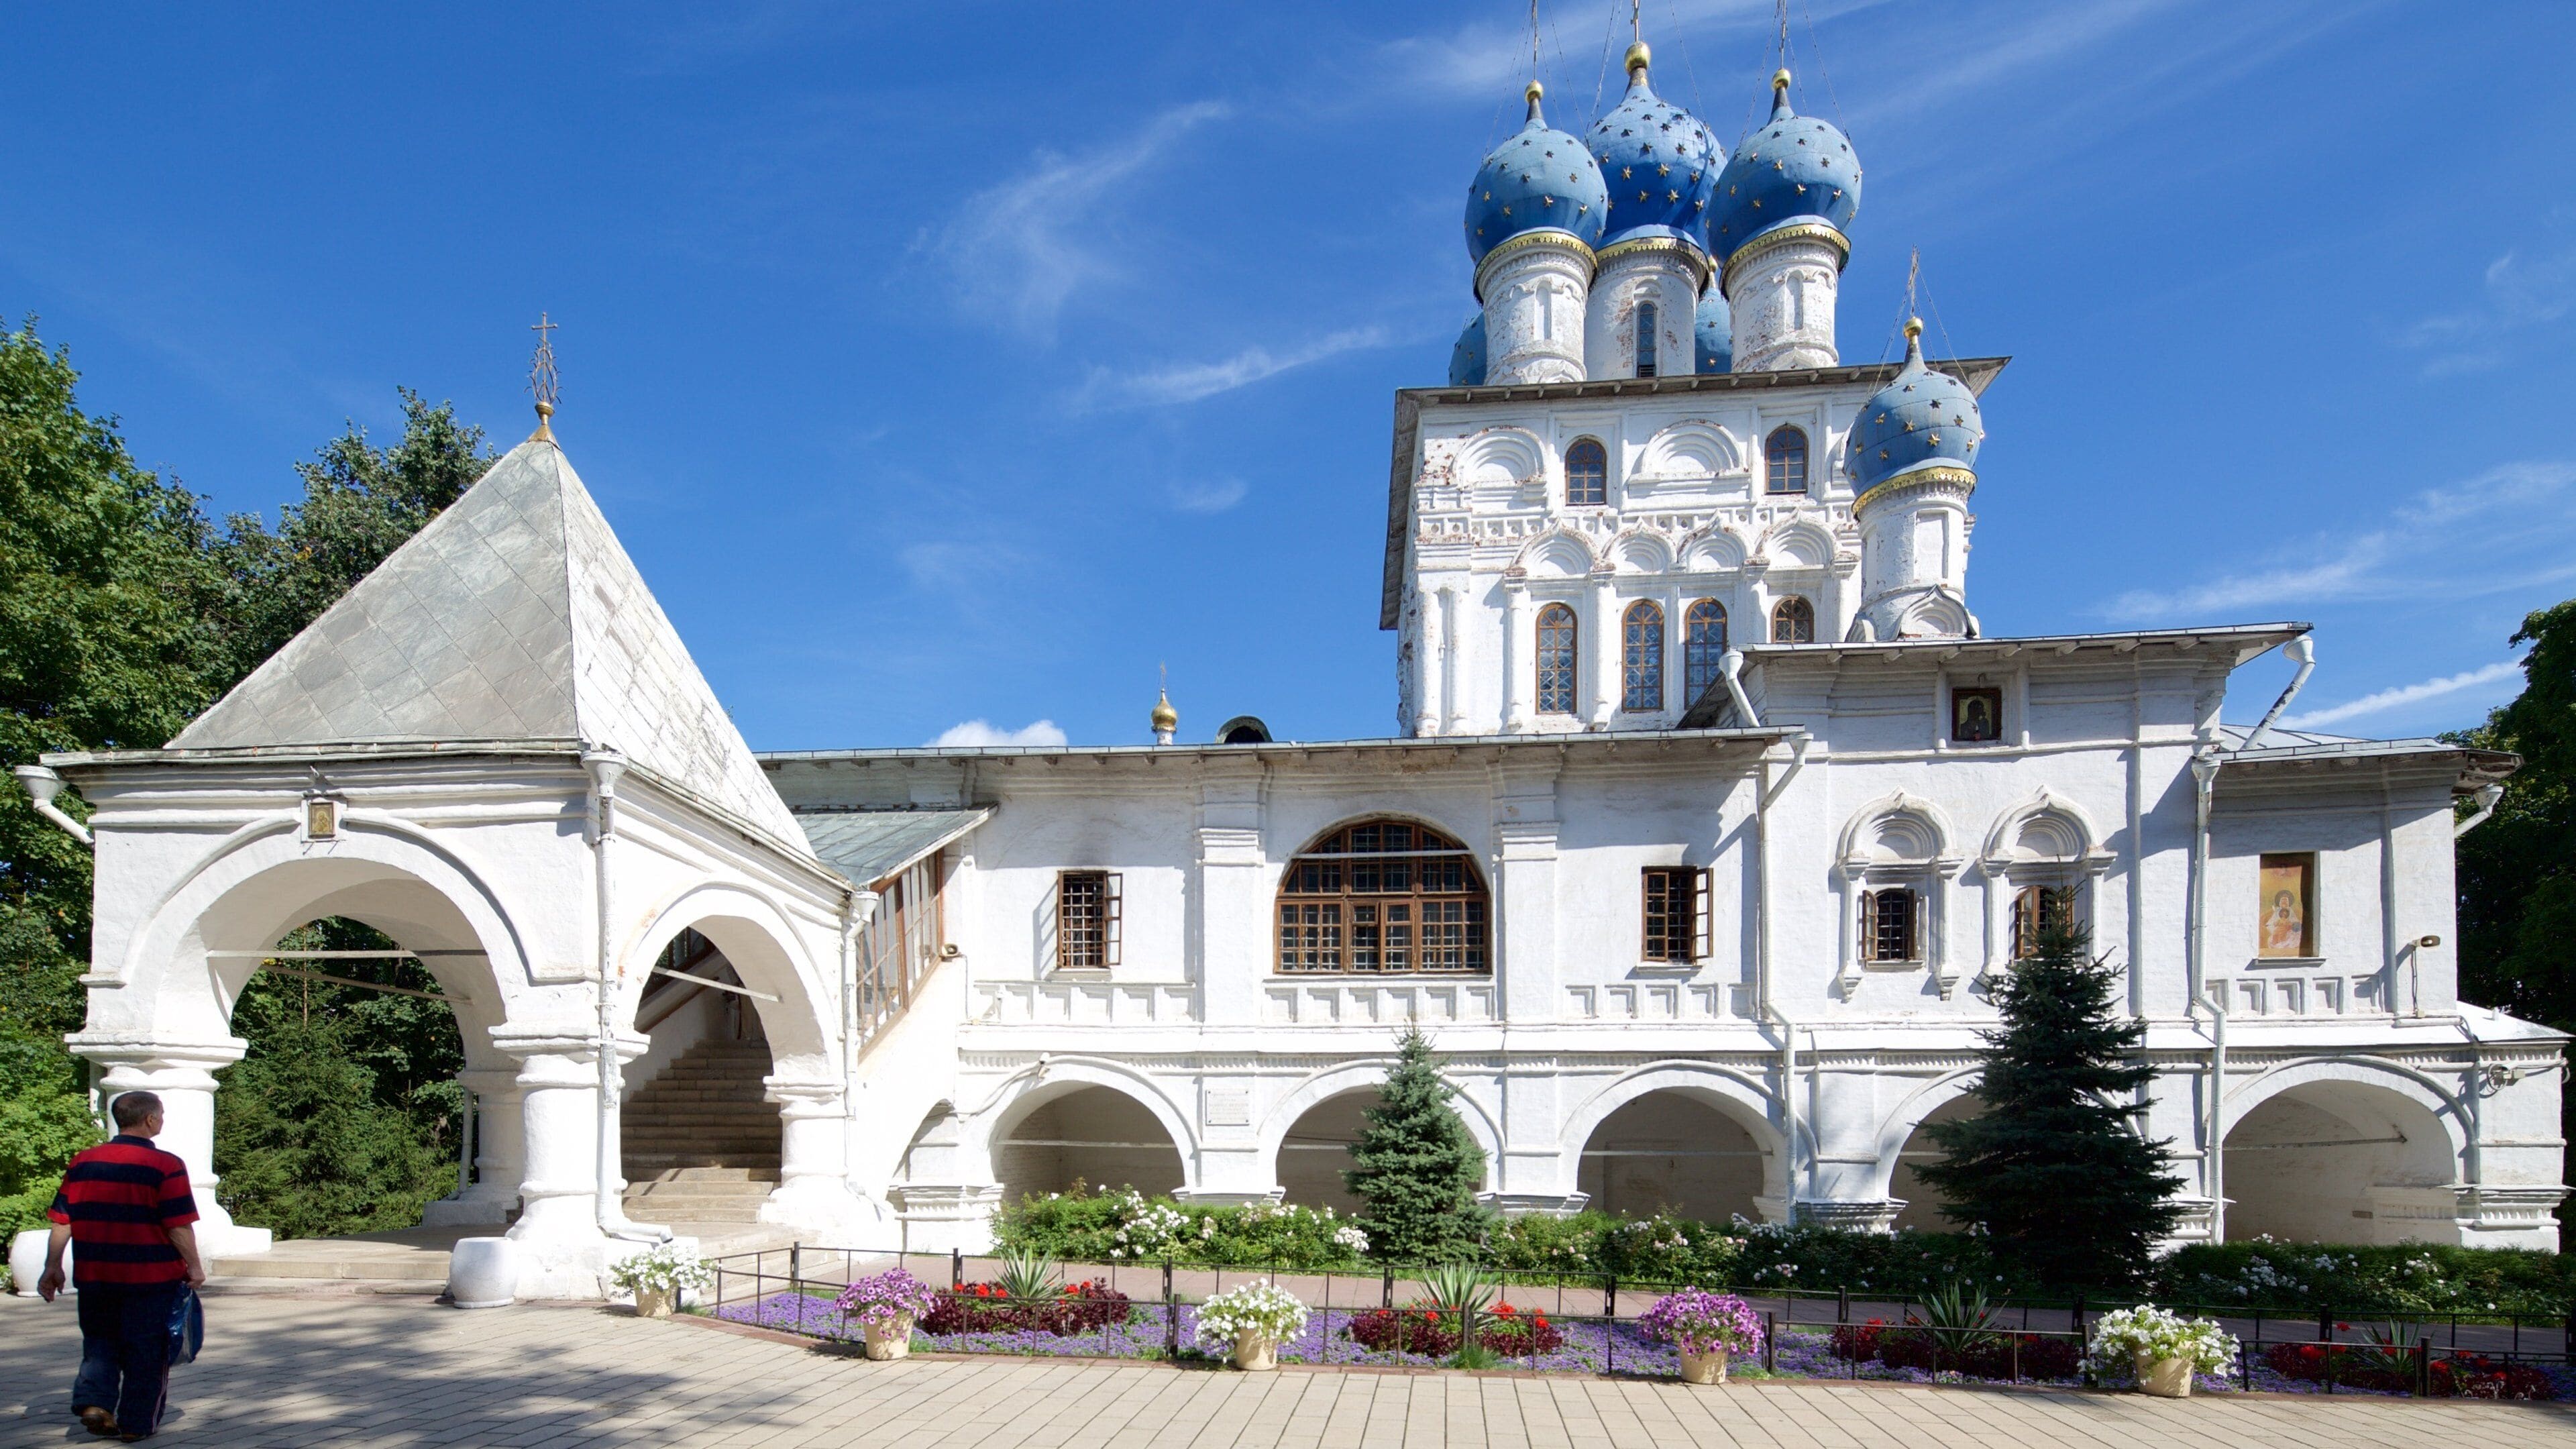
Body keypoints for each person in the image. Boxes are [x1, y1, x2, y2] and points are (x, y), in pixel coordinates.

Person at [37, 1090, 207, 1442]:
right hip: (150, 1277)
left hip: (95, 1274)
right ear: (150, 1119)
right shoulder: (165, 1165)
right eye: (161, 1115)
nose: (162, 1121)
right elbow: (177, 1224)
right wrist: (194, 1266)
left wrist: (52, 1266)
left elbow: (62, 1220)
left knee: (99, 1343)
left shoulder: (83, 1162)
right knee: (147, 1351)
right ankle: (135, 1424)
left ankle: (95, 1402)